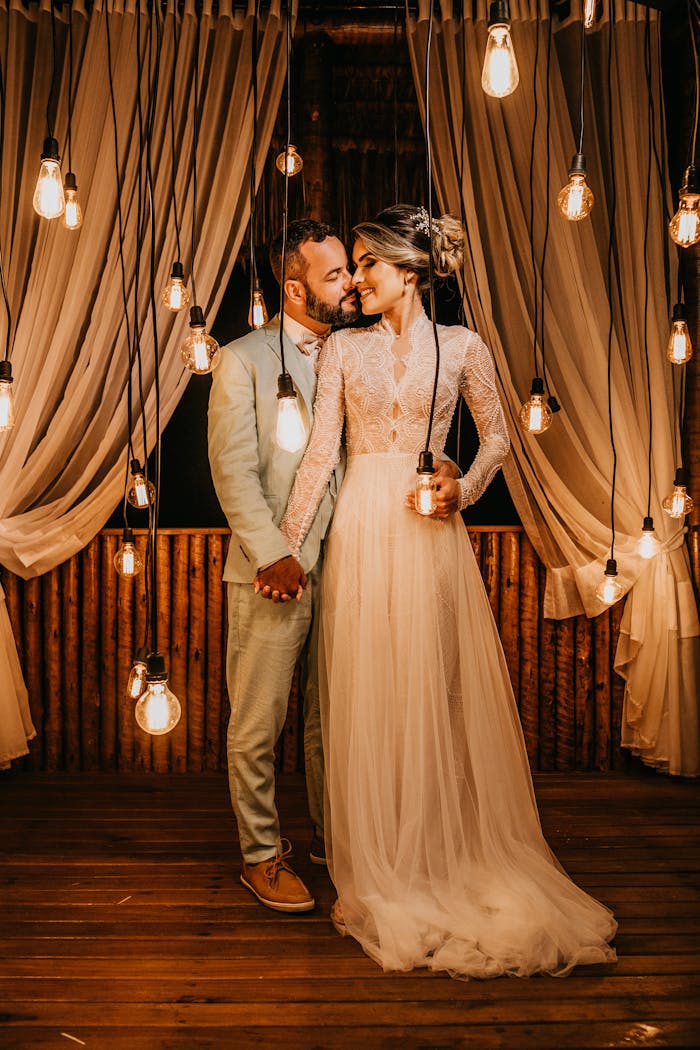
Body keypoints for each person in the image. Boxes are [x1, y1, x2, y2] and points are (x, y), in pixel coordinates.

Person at [272, 205, 617, 976]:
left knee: (434, 682)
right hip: (363, 522)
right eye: (353, 265)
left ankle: (437, 848)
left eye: (367, 264)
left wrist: (469, 482)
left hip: (430, 523)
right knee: (369, 684)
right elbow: (321, 455)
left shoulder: (463, 346)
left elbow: (498, 435)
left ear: (409, 271)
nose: (355, 278)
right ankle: (381, 853)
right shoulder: (341, 351)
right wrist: (286, 550)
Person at [207, 219, 360, 913]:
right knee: (259, 722)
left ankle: (335, 839)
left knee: (332, 719)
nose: (350, 283)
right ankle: (262, 855)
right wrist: (276, 554)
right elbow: (233, 470)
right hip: (274, 571)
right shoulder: (241, 361)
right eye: (334, 275)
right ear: (293, 287)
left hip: (350, 567)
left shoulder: (356, 356)